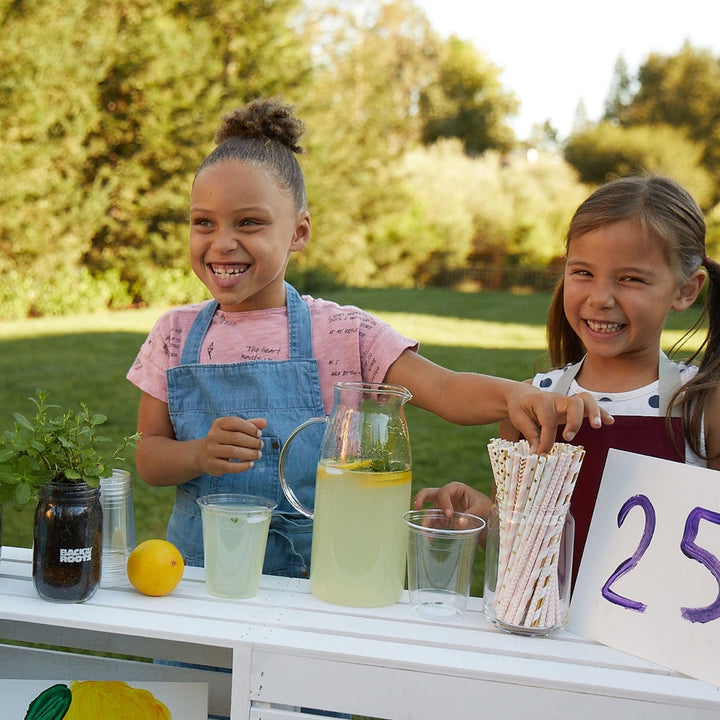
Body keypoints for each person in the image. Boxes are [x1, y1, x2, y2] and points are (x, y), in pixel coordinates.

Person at [127, 97, 610, 579]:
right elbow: (149, 455)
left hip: (322, 584)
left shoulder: (343, 332)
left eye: (249, 222)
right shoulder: (175, 334)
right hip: (204, 583)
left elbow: (444, 389)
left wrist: (515, 396)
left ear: (299, 231)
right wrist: (197, 454)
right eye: (203, 222)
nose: (222, 241)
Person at [415, 175, 720, 582]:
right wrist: (478, 514)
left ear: (686, 290)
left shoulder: (699, 404)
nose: (600, 297)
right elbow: (519, 543)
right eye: (583, 272)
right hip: (543, 640)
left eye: (630, 278)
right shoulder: (531, 401)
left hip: (652, 643)